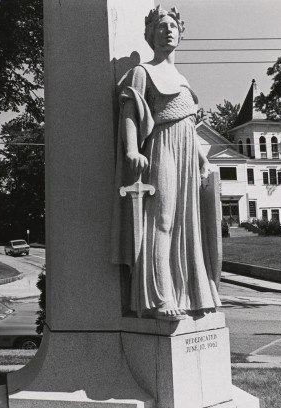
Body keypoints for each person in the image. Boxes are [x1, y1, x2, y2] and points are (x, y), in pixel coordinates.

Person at [111, 6, 221, 320]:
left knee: (189, 226)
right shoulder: (142, 72)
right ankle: (160, 298)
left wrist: (203, 159)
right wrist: (132, 149)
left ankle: (190, 294)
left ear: (180, 34)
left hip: (188, 151)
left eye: (173, 26)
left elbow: (189, 123)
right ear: (150, 34)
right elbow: (129, 114)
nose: (168, 31)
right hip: (163, 147)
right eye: (161, 26)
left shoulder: (182, 78)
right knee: (163, 220)